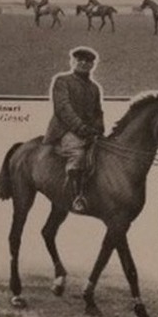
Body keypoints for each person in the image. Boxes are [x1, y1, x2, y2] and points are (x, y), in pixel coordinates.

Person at [43, 47, 105, 213]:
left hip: (88, 132)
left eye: (88, 61)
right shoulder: (62, 81)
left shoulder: (94, 88)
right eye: (80, 60)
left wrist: (99, 129)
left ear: (93, 65)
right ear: (73, 62)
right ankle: (77, 197)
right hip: (65, 130)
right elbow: (63, 108)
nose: (83, 63)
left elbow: (98, 112)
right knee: (78, 154)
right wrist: (80, 128)